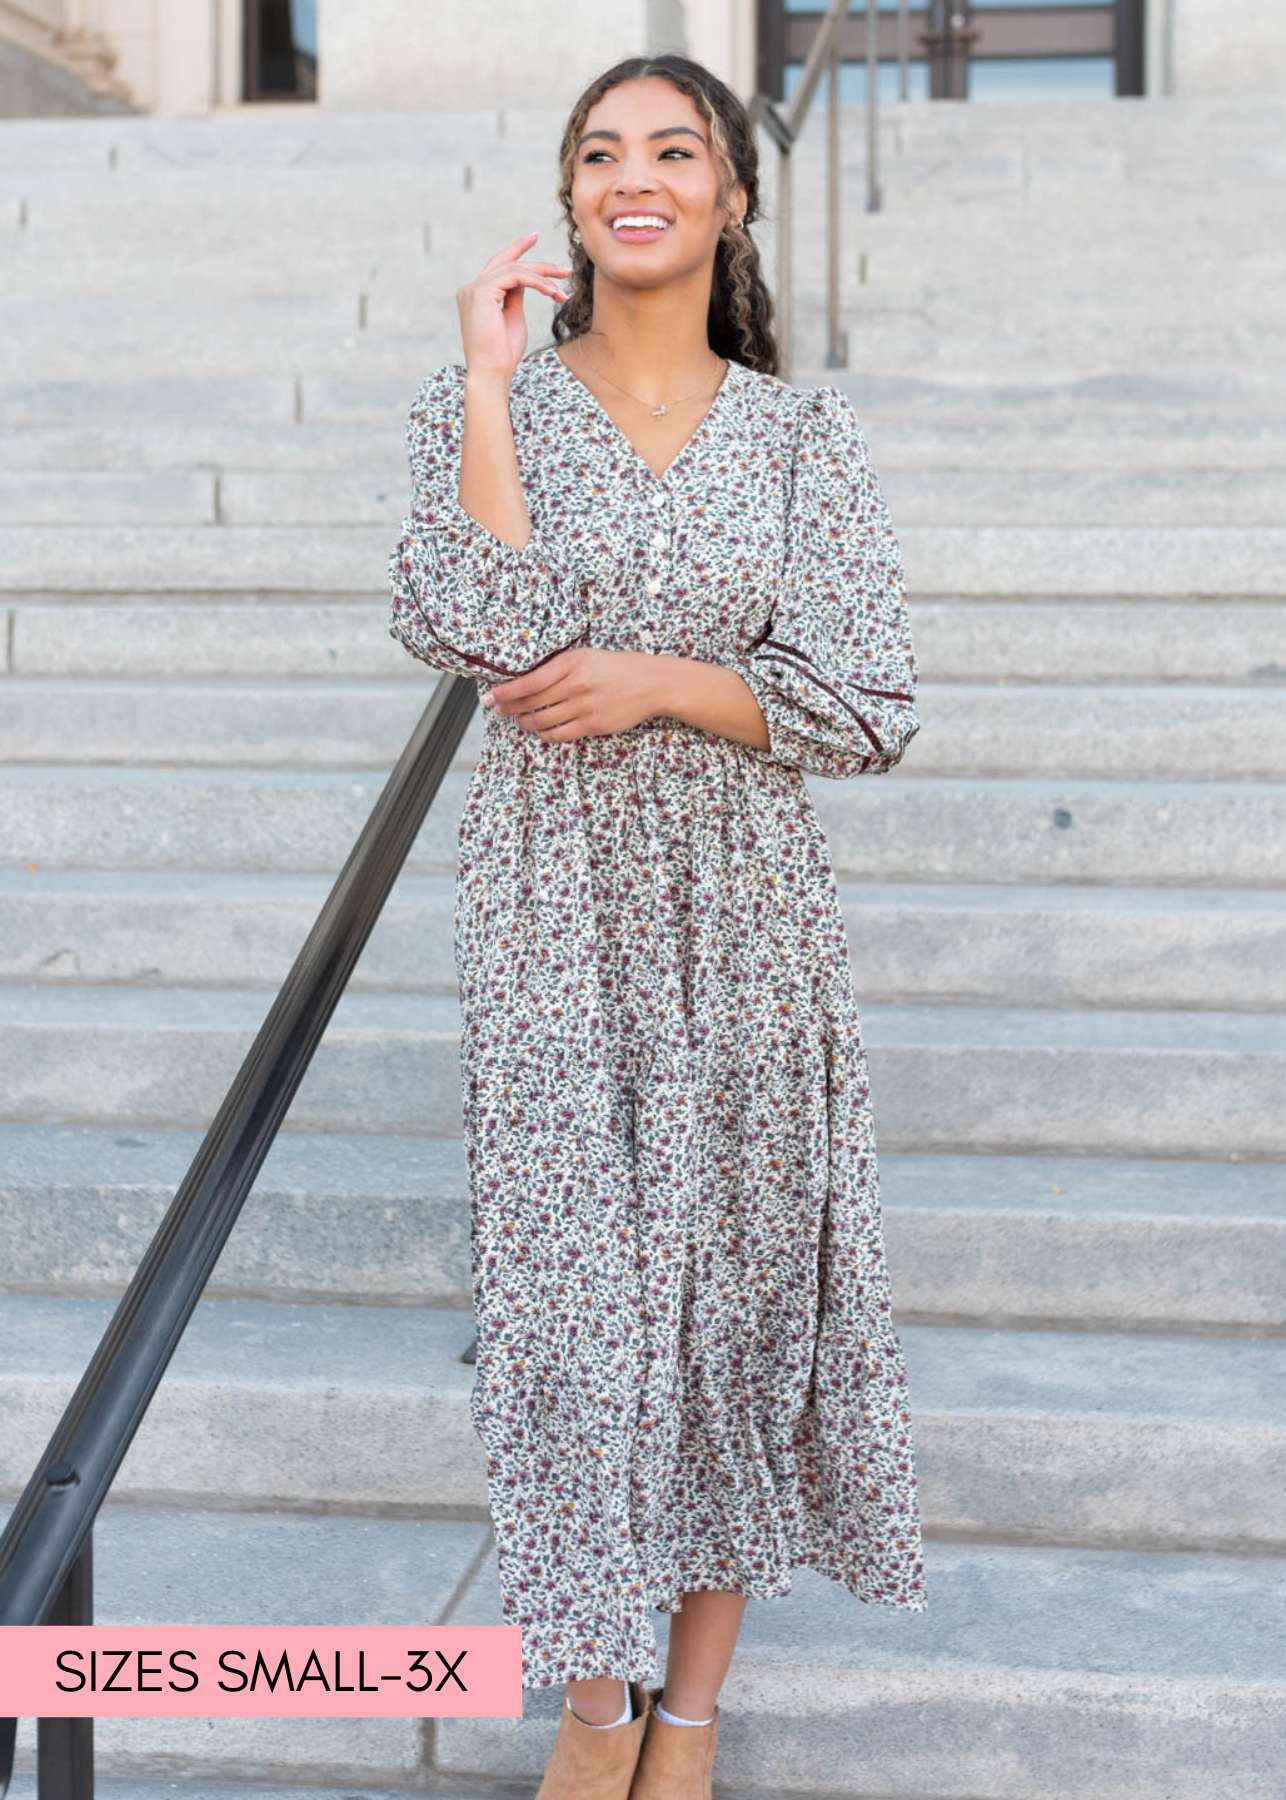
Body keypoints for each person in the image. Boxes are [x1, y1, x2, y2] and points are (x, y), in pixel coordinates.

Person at [388, 50, 927, 1800]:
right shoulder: (495, 407)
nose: (637, 175)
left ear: (731, 196)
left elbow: (869, 702)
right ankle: (589, 1702)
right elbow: (471, 620)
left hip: (751, 925)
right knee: (570, 1322)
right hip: (553, 913)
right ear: (571, 197)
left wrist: (663, 681)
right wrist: (482, 374)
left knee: (733, 1313)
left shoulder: (801, 438)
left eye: (674, 148)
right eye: (600, 151)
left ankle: (684, 1719)